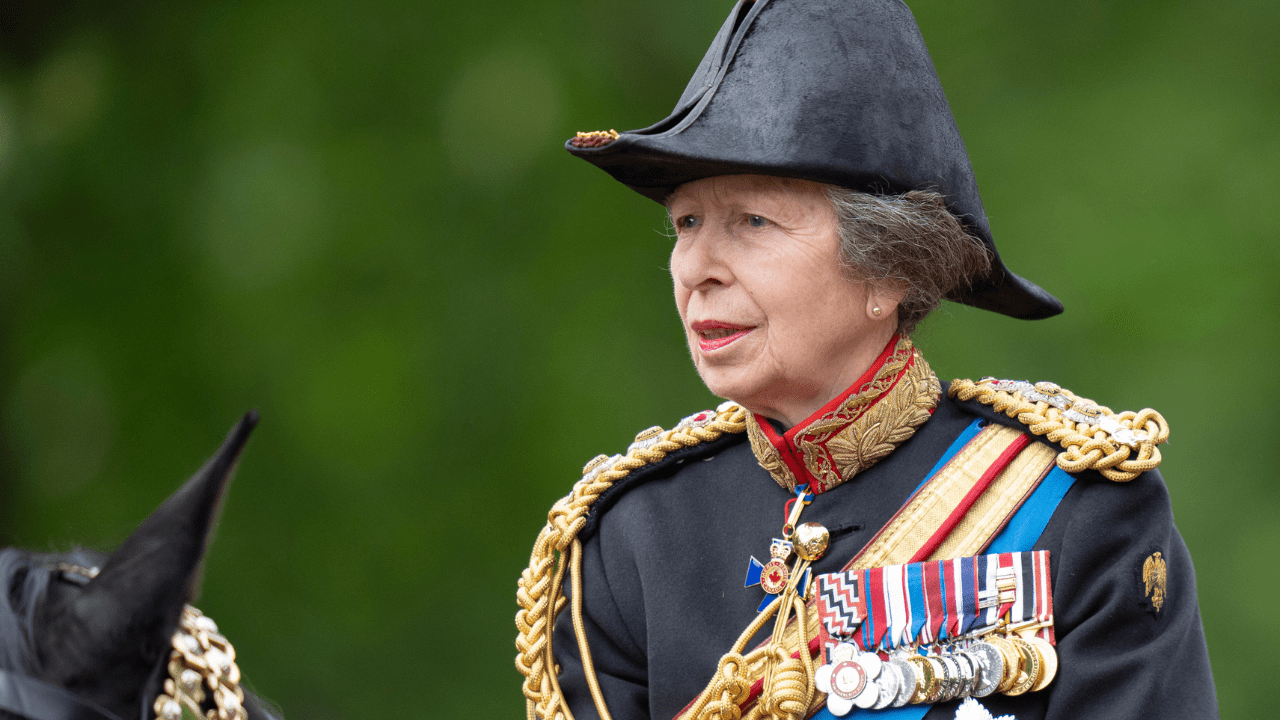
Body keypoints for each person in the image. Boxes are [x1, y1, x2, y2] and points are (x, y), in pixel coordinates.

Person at [515, 1, 1217, 719]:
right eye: (687, 222)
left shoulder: (1076, 509)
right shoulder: (627, 537)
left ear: (891, 272)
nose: (695, 266)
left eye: (752, 221)